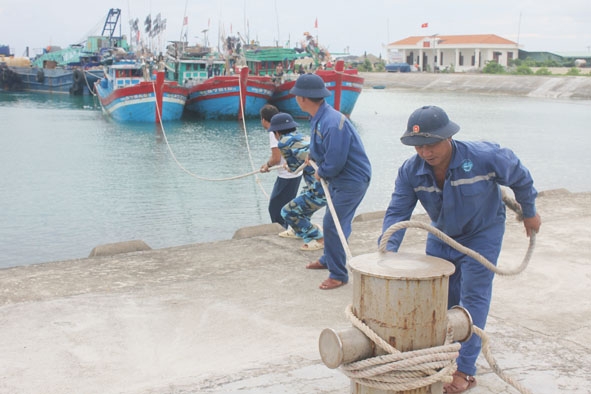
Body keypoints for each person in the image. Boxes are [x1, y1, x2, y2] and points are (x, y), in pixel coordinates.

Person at [380, 105, 542, 393]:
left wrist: (529, 211)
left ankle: (465, 368)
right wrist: (386, 250)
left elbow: (519, 176)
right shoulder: (410, 171)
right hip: (442, 234)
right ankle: (442, 354)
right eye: (418, 146)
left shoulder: (484, 156)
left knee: (472, 297)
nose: (425, 152)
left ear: (448, 137)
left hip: (482, 233)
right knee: (440, 297)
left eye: (431, 144)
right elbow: (397, 211)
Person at [290, 73, 372, 290]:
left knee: (332, 224)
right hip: (341, 179)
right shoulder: (319, 117)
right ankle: (329, 259)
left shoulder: (332, 122)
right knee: (338, 221)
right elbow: (322, 147)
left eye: (297, 95)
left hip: (351, 180)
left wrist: (322, 171)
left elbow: (335, 160)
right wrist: (313, 157)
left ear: (303, 98)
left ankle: (338, 274)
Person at [267, 112, 326, 251]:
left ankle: (317, 238)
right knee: (303, 195)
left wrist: (288, 165)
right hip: (325, 181)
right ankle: (297, 230)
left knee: (287, 212)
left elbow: (294, 169)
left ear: (276, 132)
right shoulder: (303, 136)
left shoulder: (282, 142)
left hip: (321, 188)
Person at [259, 104, 302, 233]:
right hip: (295, 173)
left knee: (275, 208)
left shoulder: (274, 133)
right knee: (286, 206)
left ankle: (282, 231)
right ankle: (286, 229)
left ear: (263, 120)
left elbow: (276, 158)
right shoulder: (288, 129)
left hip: (287, 176)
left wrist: (267, 165)